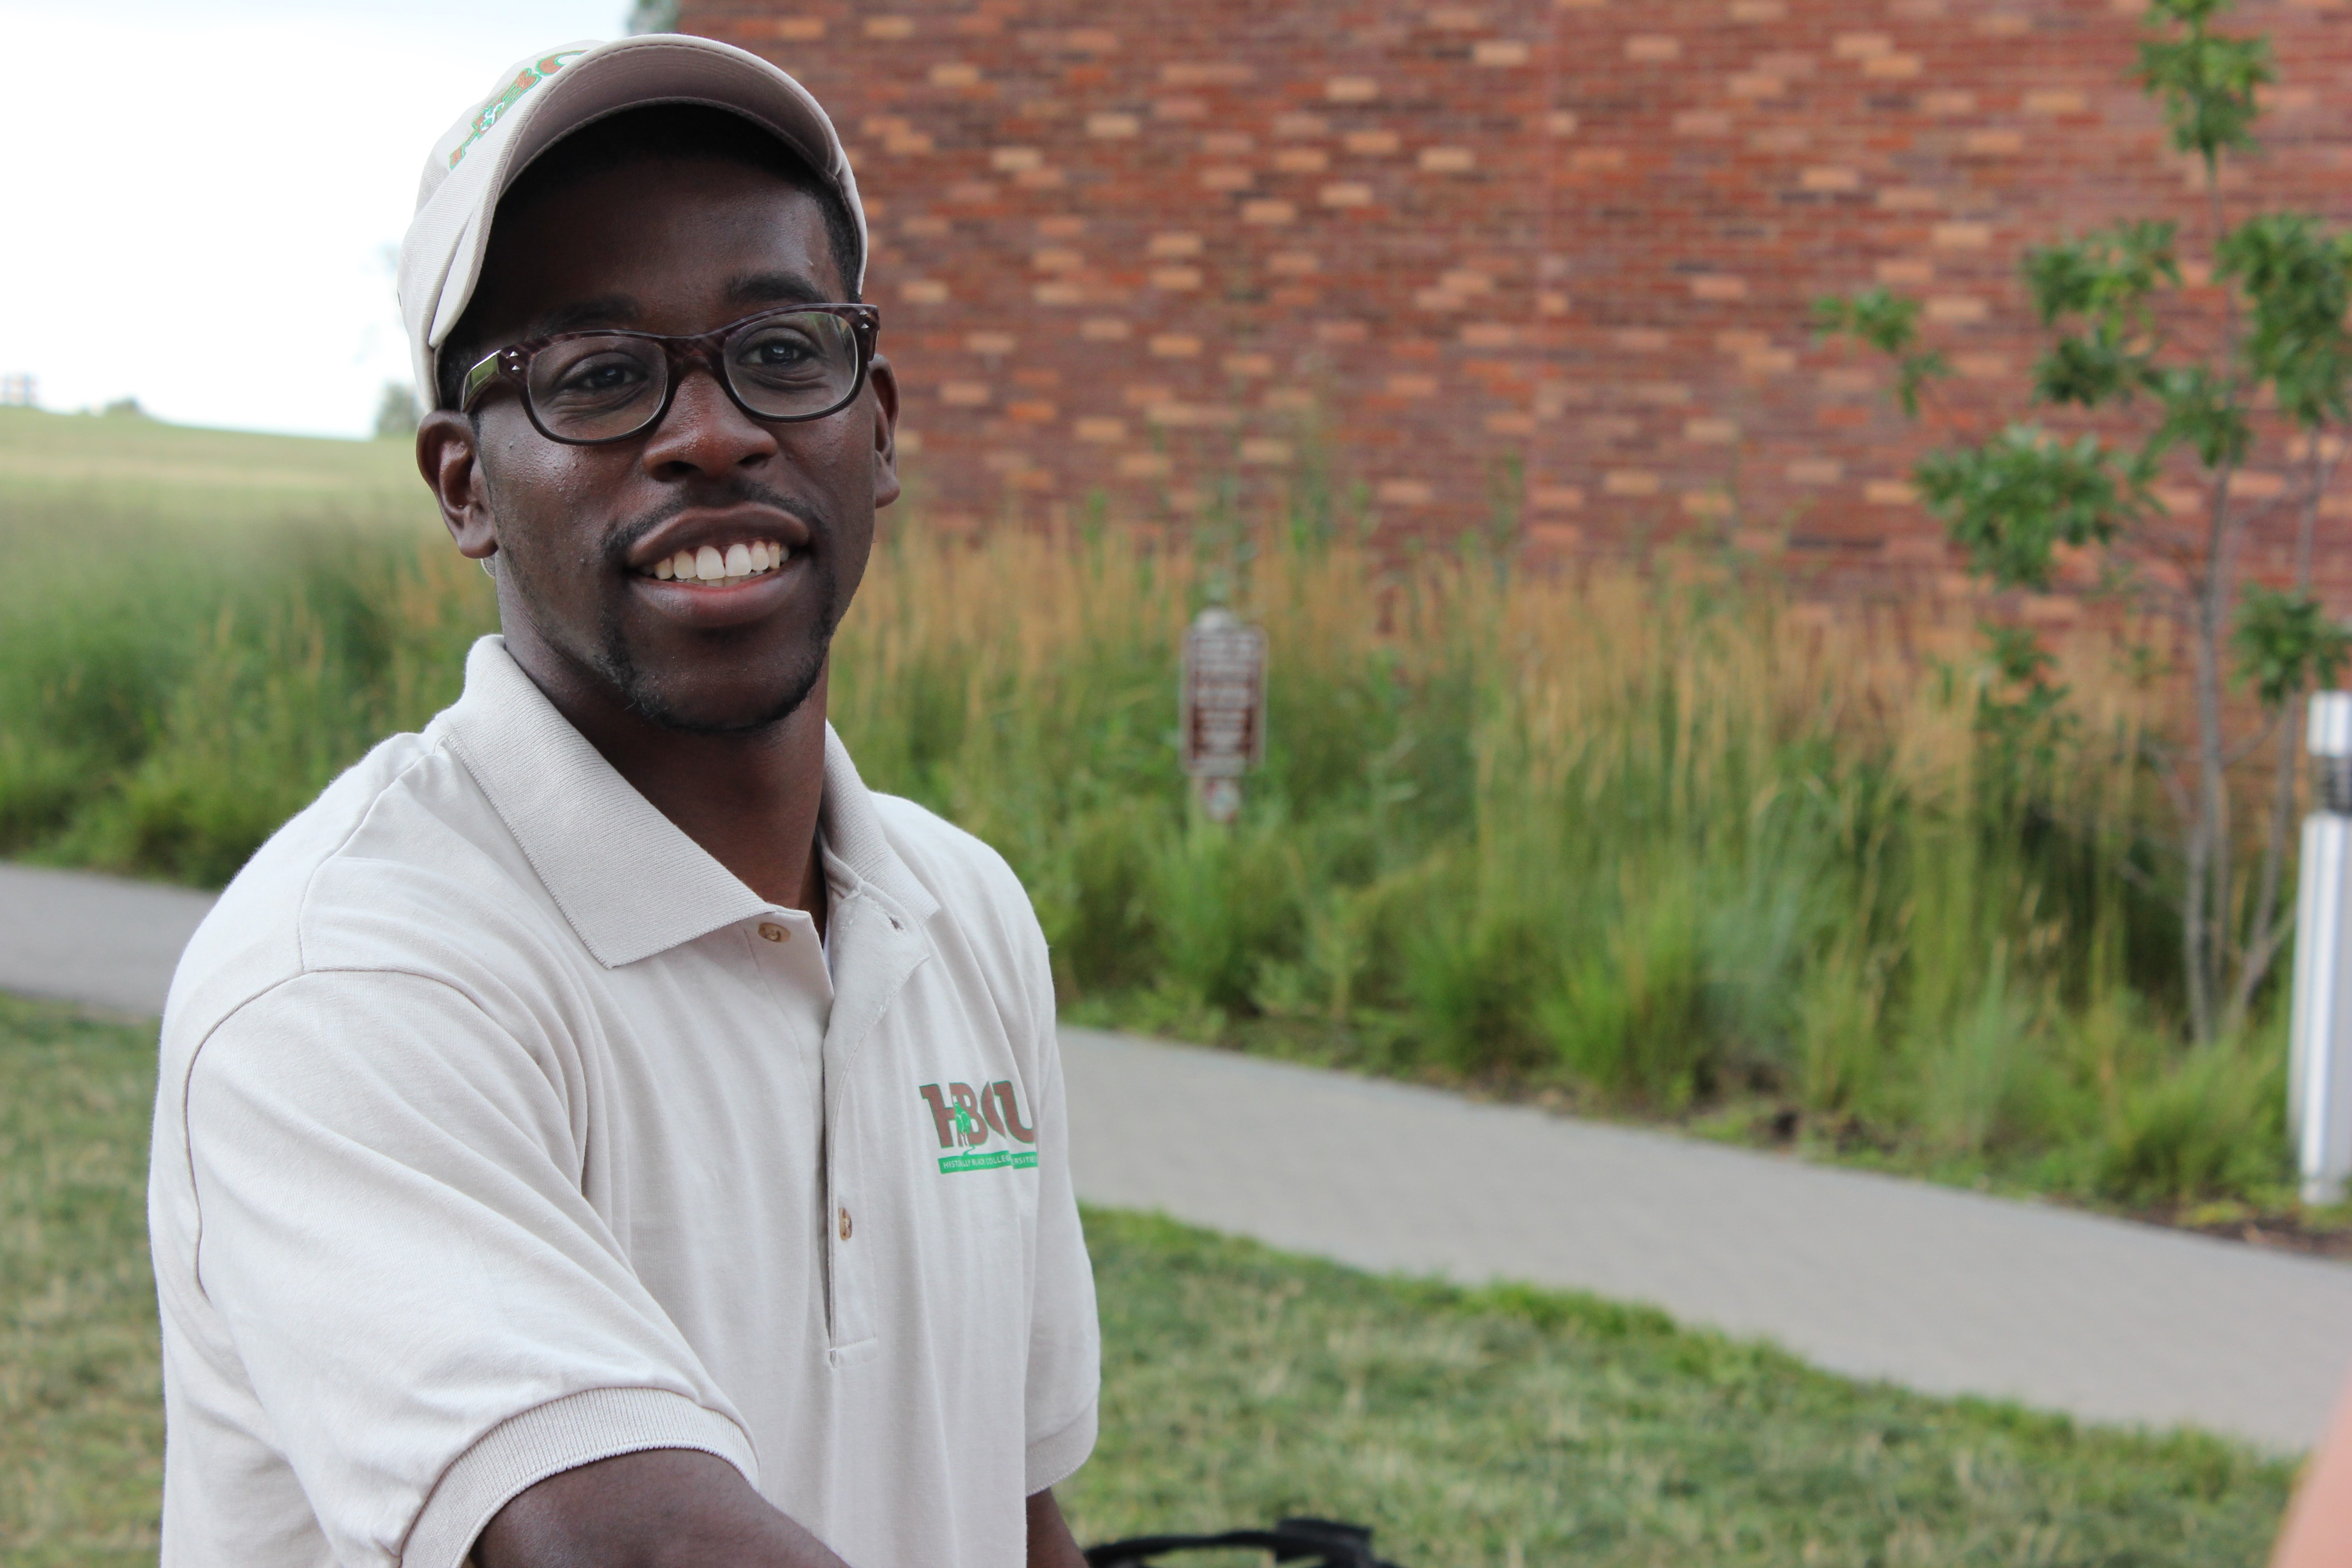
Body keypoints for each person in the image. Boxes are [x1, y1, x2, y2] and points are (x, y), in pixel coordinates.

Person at [147, 35, 1100, 1568]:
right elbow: (627, 1545)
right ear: (464, 485)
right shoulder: (348, 978)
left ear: (881, 429)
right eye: (598, 379)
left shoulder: (962, 917)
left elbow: (1004, 1504)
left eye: (785, 351)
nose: (713, 431)